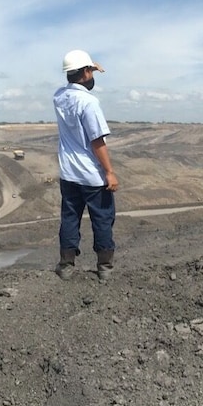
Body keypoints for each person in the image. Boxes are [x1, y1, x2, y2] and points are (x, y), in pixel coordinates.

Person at [53, 49, 119, 281]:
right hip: (92, 176)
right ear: (86, 73)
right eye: (90, 70)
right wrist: (109, 172)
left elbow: (73, 80)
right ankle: (104, 269)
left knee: (70, 218)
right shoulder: (89, 103)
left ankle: (66, 266)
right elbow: (97, 140)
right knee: (102, 219)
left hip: (68, 174)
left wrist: (89, 67)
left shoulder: (59, 96)